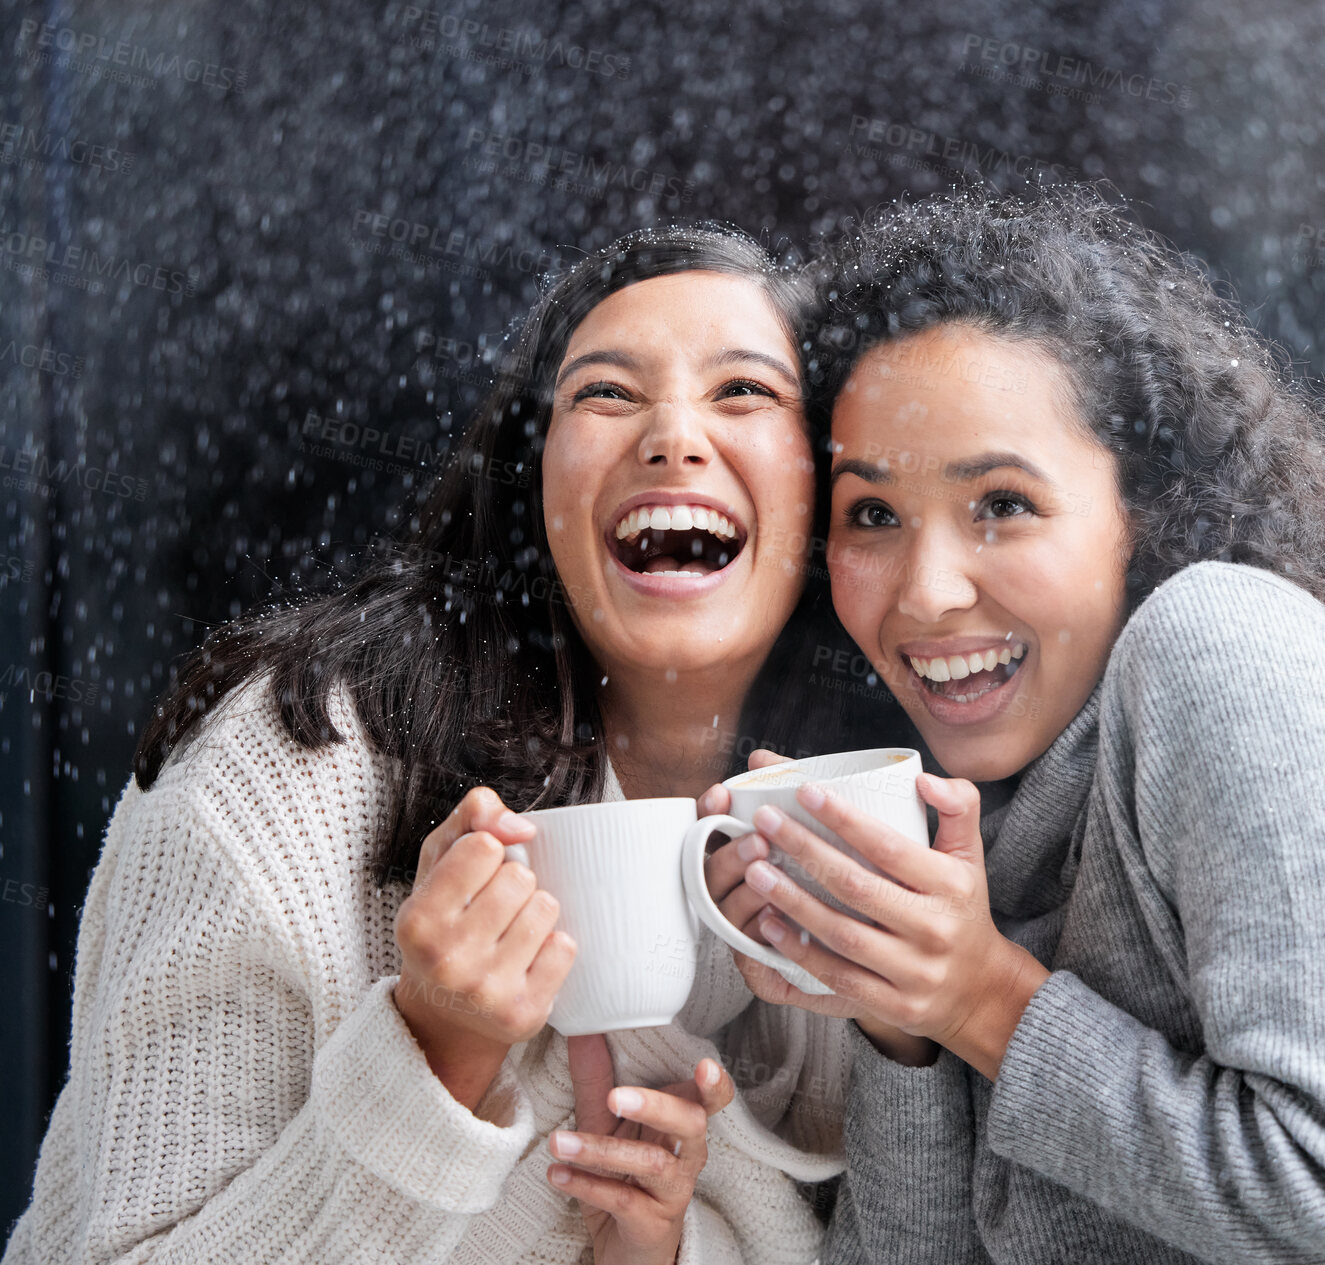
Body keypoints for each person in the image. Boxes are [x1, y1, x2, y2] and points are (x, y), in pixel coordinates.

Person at [704, 188, 1325, 1263]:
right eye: (870, 514)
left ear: (1139, 509)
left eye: (1000, 502)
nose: (923, 594)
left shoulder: (1223, 647)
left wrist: (983, 999)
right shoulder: (987, 826)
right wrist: (901, 1019)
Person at [3, 224, 871, 1265]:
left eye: (743, 391)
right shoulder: (291, 766)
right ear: (529, 481)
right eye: (603, 392)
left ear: (832, 491)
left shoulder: (866, 815)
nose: (673, 435)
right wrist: (435, 1054)